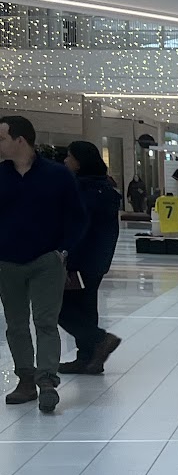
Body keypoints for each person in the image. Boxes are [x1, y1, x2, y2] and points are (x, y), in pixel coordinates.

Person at [0, 116, 85, 413]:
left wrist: (63, 250)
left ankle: (46, 379)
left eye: (2, 139)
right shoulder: (1, 175)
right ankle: (25, 379)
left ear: (20, 140)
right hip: (7, 262)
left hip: (46, 260)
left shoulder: (57, 175)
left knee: (46, 321)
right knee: (16, 324)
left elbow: (77, 216)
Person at [58, 141, 122, 375]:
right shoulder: (105, 189)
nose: (65, 160)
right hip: (97, 260)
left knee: (60, 307)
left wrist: (66, 255)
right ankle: (88, 358)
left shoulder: (83, 190)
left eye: (69, 156)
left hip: (80, 260)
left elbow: (78, 228)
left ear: (80, 162)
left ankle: (99, 339)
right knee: (85, 307)